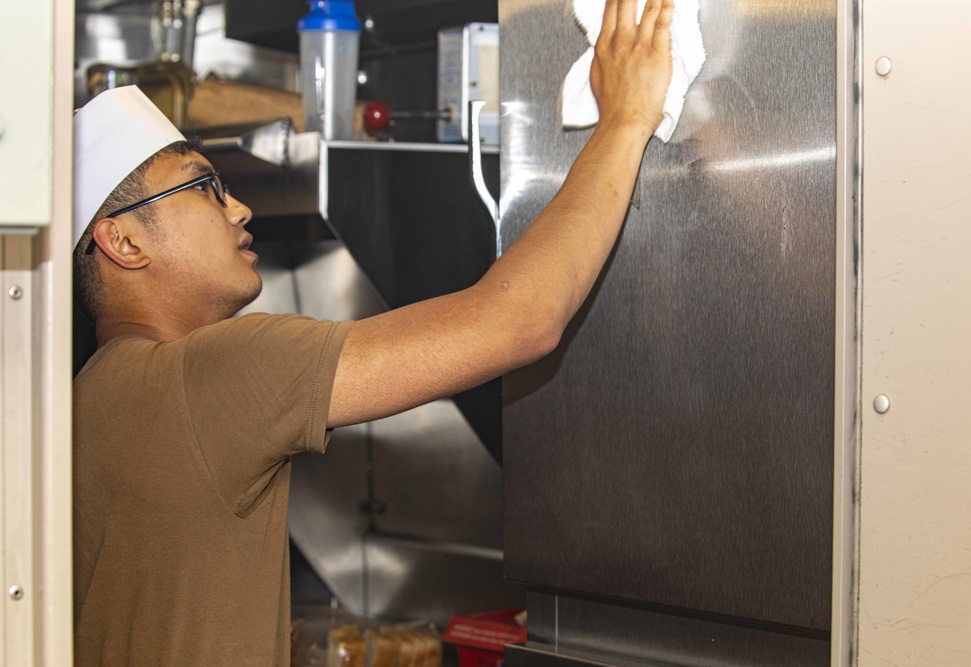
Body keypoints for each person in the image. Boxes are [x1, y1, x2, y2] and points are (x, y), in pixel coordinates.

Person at [71, 0, 675, 664]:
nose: (239, 205)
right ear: (123, 239)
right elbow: (520, 319)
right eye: (204, 187)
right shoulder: (210, 374)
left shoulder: (81, 402)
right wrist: (624, 120)